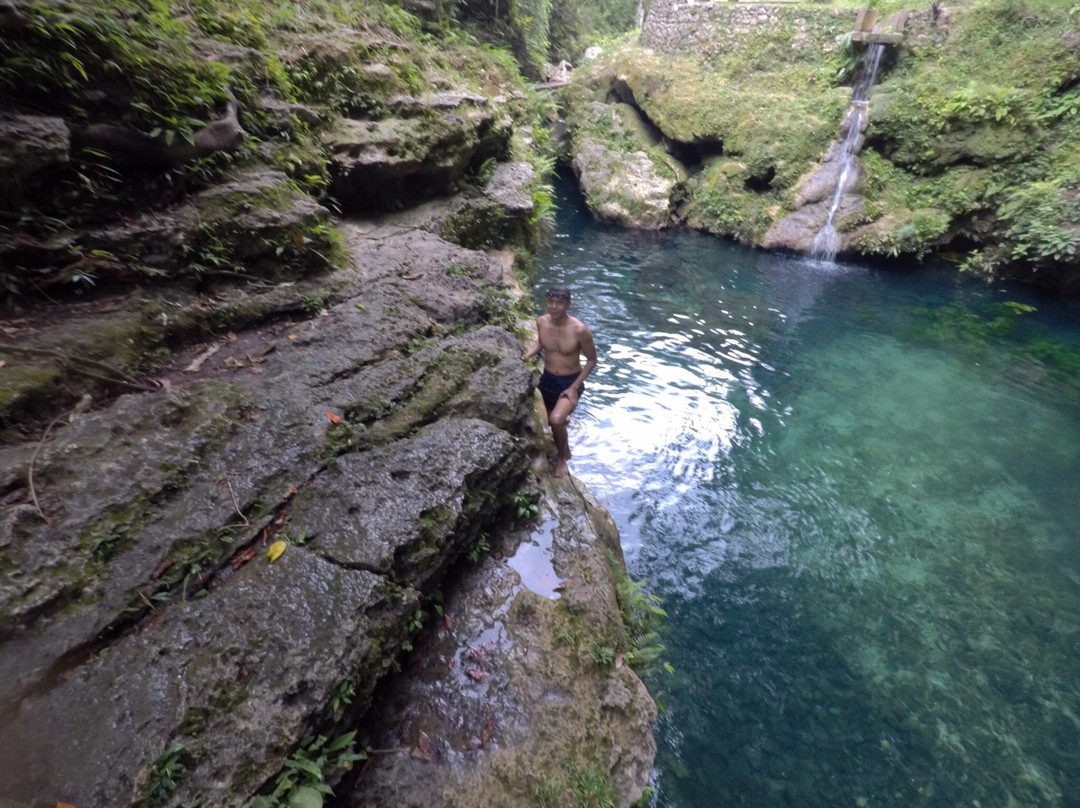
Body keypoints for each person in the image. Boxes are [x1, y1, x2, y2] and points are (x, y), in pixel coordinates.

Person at [522, 284, 598, 478]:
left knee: (556, 421)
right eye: (550, 302)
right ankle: (563, 442)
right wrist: (526, 356)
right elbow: (542, 341)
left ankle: (563, 457)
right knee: (550, 421)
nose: (554, 306)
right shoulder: (541, 322)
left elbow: (592, 360)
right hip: (548, 379)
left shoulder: (580, 330)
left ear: (568, 305)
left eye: (559, 303)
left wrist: (574, 388)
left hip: (570, 381)